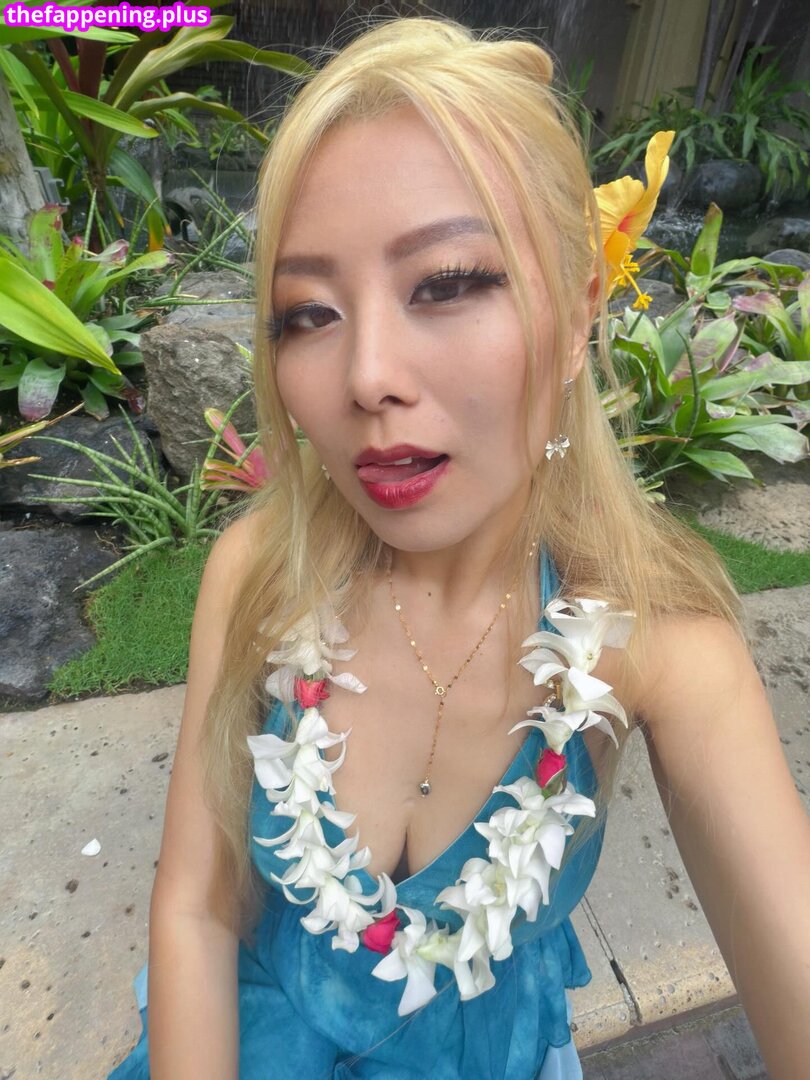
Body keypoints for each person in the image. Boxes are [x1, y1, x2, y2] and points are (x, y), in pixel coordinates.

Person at [109, 17, 810, 1080]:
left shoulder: (661, 648)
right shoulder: (257, 573)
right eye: (308, 313)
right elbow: (198, 907)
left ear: (577, 314)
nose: (366, 377)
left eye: (445, 282)